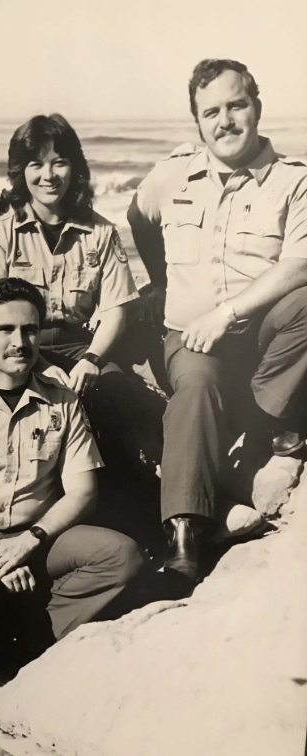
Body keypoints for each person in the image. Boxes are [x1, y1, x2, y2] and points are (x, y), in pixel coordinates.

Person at [0, 278, 147, 707]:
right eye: (4, 330)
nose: (19, 342)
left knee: (121, 557)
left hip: (40, 535)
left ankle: (32, 642)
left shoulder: (62, 401)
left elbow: (82, 491)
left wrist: (29, 541)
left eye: (29, 329)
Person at [127, 58, 307, 587]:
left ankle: (260, 430)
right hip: (190, 342)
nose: (225, 121)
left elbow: (300, 263)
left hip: (261, 342)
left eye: (236, 105)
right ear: (197, 121)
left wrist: (226, 312)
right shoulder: (172, 173)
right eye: (211, 112)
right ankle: (186, 534)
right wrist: (163, 285)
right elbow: (139, 218)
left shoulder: (294, 182)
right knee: (199, 382)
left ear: (257, 107)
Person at [0, 113, 143, 464]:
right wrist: (38, 364)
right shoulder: (0, 232)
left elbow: (115, 309)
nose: (48, 176)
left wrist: (93, 359)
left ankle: (113, 495)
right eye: (36, 164)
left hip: (80, 348)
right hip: (14, 344)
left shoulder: (101, 233)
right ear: (21, 172)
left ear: (74, 168)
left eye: (59, 163)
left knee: (117, 392)